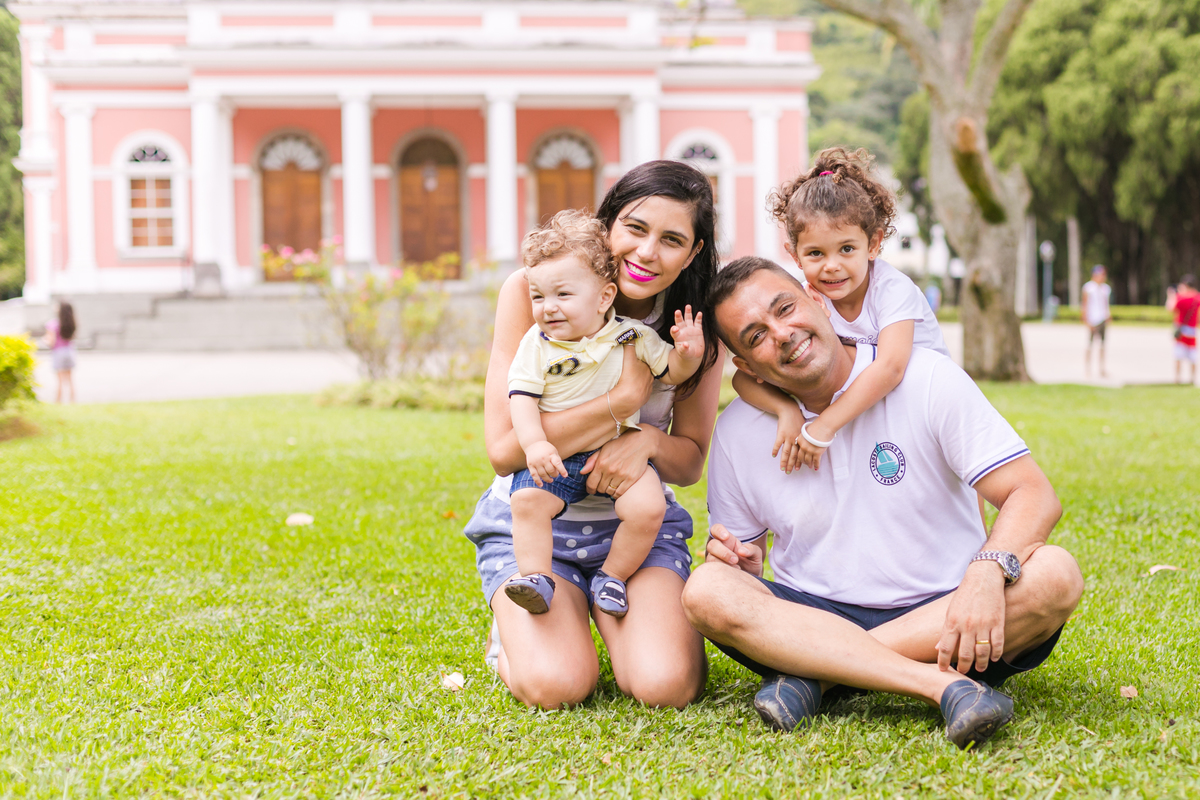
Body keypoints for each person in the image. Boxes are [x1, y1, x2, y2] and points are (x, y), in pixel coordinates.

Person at [687, 257, 1083, 749]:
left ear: (819, 302)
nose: (782, 333)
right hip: (817, 611)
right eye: (755, 336)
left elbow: (1033, 494)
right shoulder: (737, 431)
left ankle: (820, 676)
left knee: (1055, 574)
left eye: (785, 308)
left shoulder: (926, 377)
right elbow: (741, 566)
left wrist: (984, 573)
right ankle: (937, 685)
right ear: (744, 367)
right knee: (707, 589)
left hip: (950, 612)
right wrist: (740, 564)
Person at [463, 160, 723, 709]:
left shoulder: (692, 327)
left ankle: (608, 603)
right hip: (539, 530)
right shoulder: (536, 291)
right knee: (558, 687)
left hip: (633, 531)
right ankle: (523, 628)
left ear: (694, 252)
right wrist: (619, 405)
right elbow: (505, 451)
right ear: (607, 225)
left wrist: (648, 441)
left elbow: (690, 463)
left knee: (666, 687)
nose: (647, 252)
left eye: (672, 239)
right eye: (634, 228)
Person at [506, 210, 706, 618]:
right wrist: (535, 444)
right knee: (527, 500)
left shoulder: (632, 334)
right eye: (539, 297)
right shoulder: (537, 343)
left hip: (617, 456)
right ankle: (536, 578)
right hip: (556, 457)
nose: (548, 308)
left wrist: (689, 354)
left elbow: (670, 369)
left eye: (563, 295)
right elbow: (521, 398)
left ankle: (611, 576)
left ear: (604, 297)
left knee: (649, 508)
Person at [730, 147, 949, 475]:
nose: (832, 267)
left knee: (953, 471)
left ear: (873, 244)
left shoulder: (891, 289)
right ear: (795, 255)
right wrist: (786, 409)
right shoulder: (807, 298)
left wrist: (825, 425)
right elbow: (742, 380)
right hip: (872, 402)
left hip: (931, 399)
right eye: (816, 253)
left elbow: (890, 367)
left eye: (847, 249)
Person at [1166, 274, 1199, 385]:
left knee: (1178, 356)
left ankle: (1177, 379)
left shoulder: (1180, 297)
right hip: (1192, 330)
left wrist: (1171, 296)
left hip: (1181, 330)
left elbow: (1170, 308)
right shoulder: (1197, 297)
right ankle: (1192, 379)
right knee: (1193, 356)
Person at [1081, 265, 1112, 379]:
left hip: (1102, 318)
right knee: (1089, 345)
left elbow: (1105, 304)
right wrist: (1086, 319)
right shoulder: (1088, 288)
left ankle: (1102, 369)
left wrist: (1108, 315)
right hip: (1093, 319)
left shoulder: (1106, 289)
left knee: (1102, 345)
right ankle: (1087, 369)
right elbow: (1085, 304)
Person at [44, 301, 77, 404]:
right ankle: (72, 402)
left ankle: (58, 402)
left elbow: (51, 341)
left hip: (58, 353)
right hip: (70, 351)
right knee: (70, 380)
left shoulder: (53, 324)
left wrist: (44, 340)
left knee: (59, 381)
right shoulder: (71, 323)